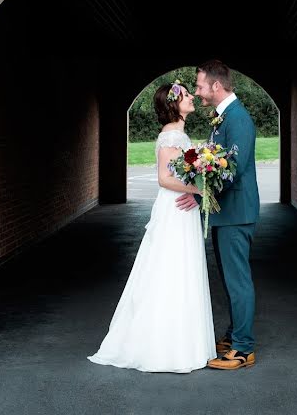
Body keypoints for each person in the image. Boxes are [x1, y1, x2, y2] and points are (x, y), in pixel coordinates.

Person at [87, 81, 216, 373]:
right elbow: (164, 178)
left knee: (181, 267)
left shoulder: (178, 133)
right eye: (186, 95)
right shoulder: (171, 135)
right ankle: (166, 346)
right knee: (172, 268)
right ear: (174, 104)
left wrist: (197, 186)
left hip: (181, 207)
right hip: (174, 209)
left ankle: (184, 340)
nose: (192, 97)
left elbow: (181, 174)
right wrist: (200, 191)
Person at [177, 59, 260, 370]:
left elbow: (232, 171)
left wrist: (199, 197)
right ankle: (234, 333)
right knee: (229, 279)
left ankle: (243, 348)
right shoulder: (222, 118)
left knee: (238, 281)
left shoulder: (238, 119)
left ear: (215, 85)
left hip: (237, 213)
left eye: (199, 86)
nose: (197, 92)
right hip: (225, 214)